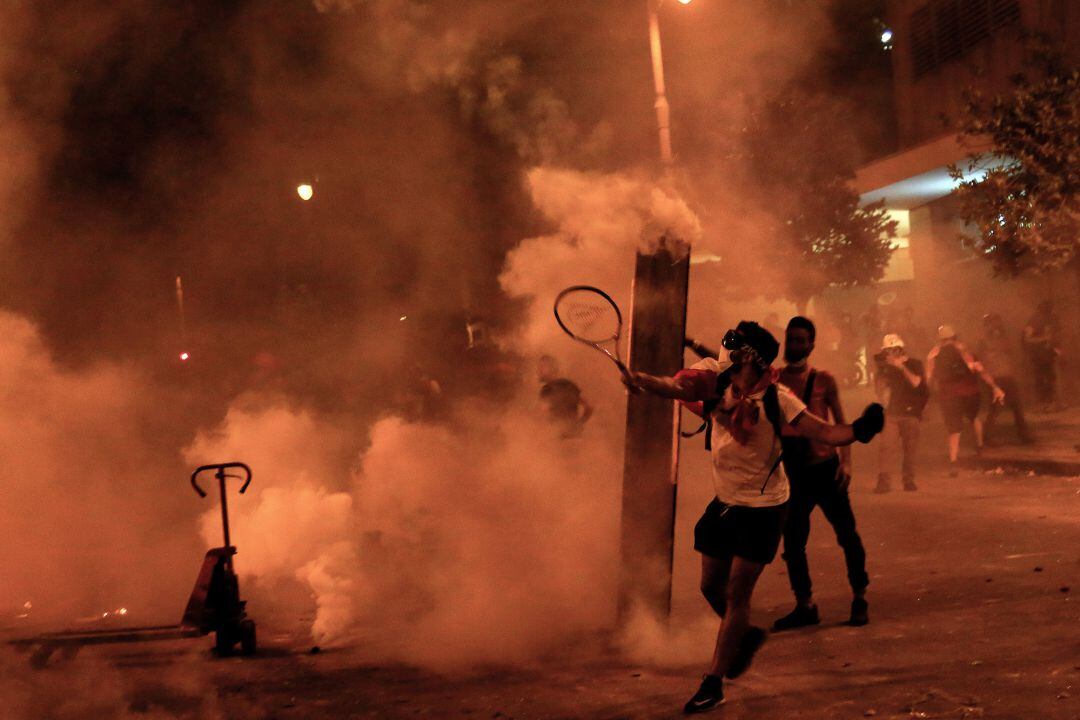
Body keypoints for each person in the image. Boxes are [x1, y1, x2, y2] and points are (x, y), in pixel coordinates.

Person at [624, 321, 884, 714]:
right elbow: (676, 387)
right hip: (726, 501)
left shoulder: (780, 400)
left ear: (749, 356)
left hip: (763, 509)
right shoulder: (720, 382)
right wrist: (642, 380)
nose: (725, 348)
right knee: (711, 587)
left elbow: (826, 434)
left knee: (737, 592)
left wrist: (860, 430)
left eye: (733, 344)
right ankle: (743, 637)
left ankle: (713, 682)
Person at [773, 317, 871, 631]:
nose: (796, 345)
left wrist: (847, 462)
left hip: (825, 469)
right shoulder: (773, 380)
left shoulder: (824, 380)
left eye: (802, 340)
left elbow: (842, 425)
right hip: (792, 472)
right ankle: (805, 605)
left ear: (812, 344)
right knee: (793, 543)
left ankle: (859, 597)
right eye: (792, 339)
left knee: (847, 535)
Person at [926, 325, 1005, 476]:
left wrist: (928, 396)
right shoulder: (964, 350)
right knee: (974, 418)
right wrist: (994, 387)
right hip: (970, 392)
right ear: (955, 337)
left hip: (948, 396)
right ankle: (980, 447)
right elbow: (980, 370)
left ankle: (954, 462)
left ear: (940, 340)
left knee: (954, 430)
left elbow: (929, 376)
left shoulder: (934, 354)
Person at [874, 334, 929, 492]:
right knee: (885, 447)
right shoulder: (886, 368)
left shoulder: (915, 364)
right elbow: (880, 391)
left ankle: (908, 480)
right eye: (886, 352)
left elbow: (916, 382)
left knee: (910, 449)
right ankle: (883, 482)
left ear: (898, 350)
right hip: (891, 413)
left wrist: (900, 367)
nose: (887, 355)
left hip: (911, 413)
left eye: (889, 351)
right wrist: (881, 374)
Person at [978, 314, 1033, 444]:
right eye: (993, 323)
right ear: (988, 325)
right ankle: (987, 437)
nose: (997, 326)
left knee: (1017, 407)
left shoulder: (1003, 339)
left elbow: (1011, 353)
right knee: (996, 409)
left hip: (1007, 376)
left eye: (997, 323)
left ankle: (1024, 436)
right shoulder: (984, 341)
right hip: (995, 378)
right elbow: (983, 360)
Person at [536, 355, 592, 438]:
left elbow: (543, 416)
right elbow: (589, 407)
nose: (538, 371)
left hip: (558, 441)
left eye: (542, 367)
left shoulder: (547, 390)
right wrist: (578, 424)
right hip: (575, 438)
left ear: (551, 368)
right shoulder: (568, 384)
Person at [1022, 301, 1061, 411]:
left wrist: (1056, 348)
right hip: (1038, 356)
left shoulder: (1050, 320)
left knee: (1050, 378)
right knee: (1041, 379)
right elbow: (1027, 339)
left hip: (1048, 355)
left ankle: (1051, 403)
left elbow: (1053, 337)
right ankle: (1042, 404)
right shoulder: (1034, 321)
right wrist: (1043, 339)